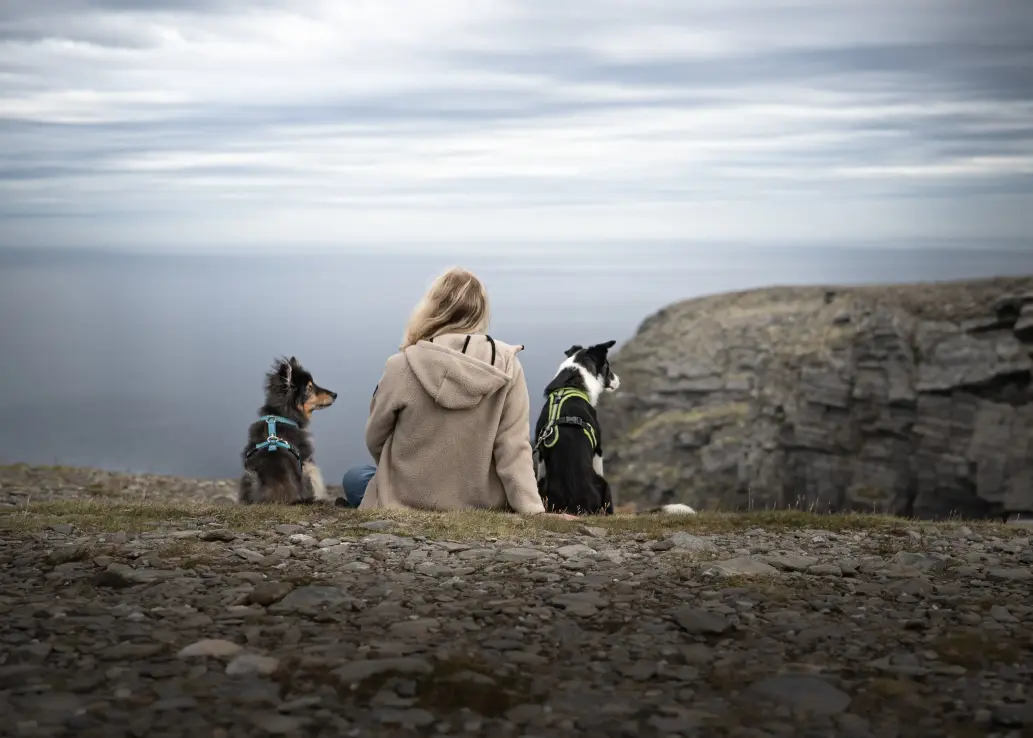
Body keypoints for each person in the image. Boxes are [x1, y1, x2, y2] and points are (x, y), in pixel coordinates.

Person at [340, 266, 572, 519]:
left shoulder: (401, 364)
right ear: (481, 312)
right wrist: (533, 510)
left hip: (408, 498)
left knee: (355, 478)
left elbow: (375, 437)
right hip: (480, 501)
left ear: (433, 308)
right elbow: (513, 447)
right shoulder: (506, 365)